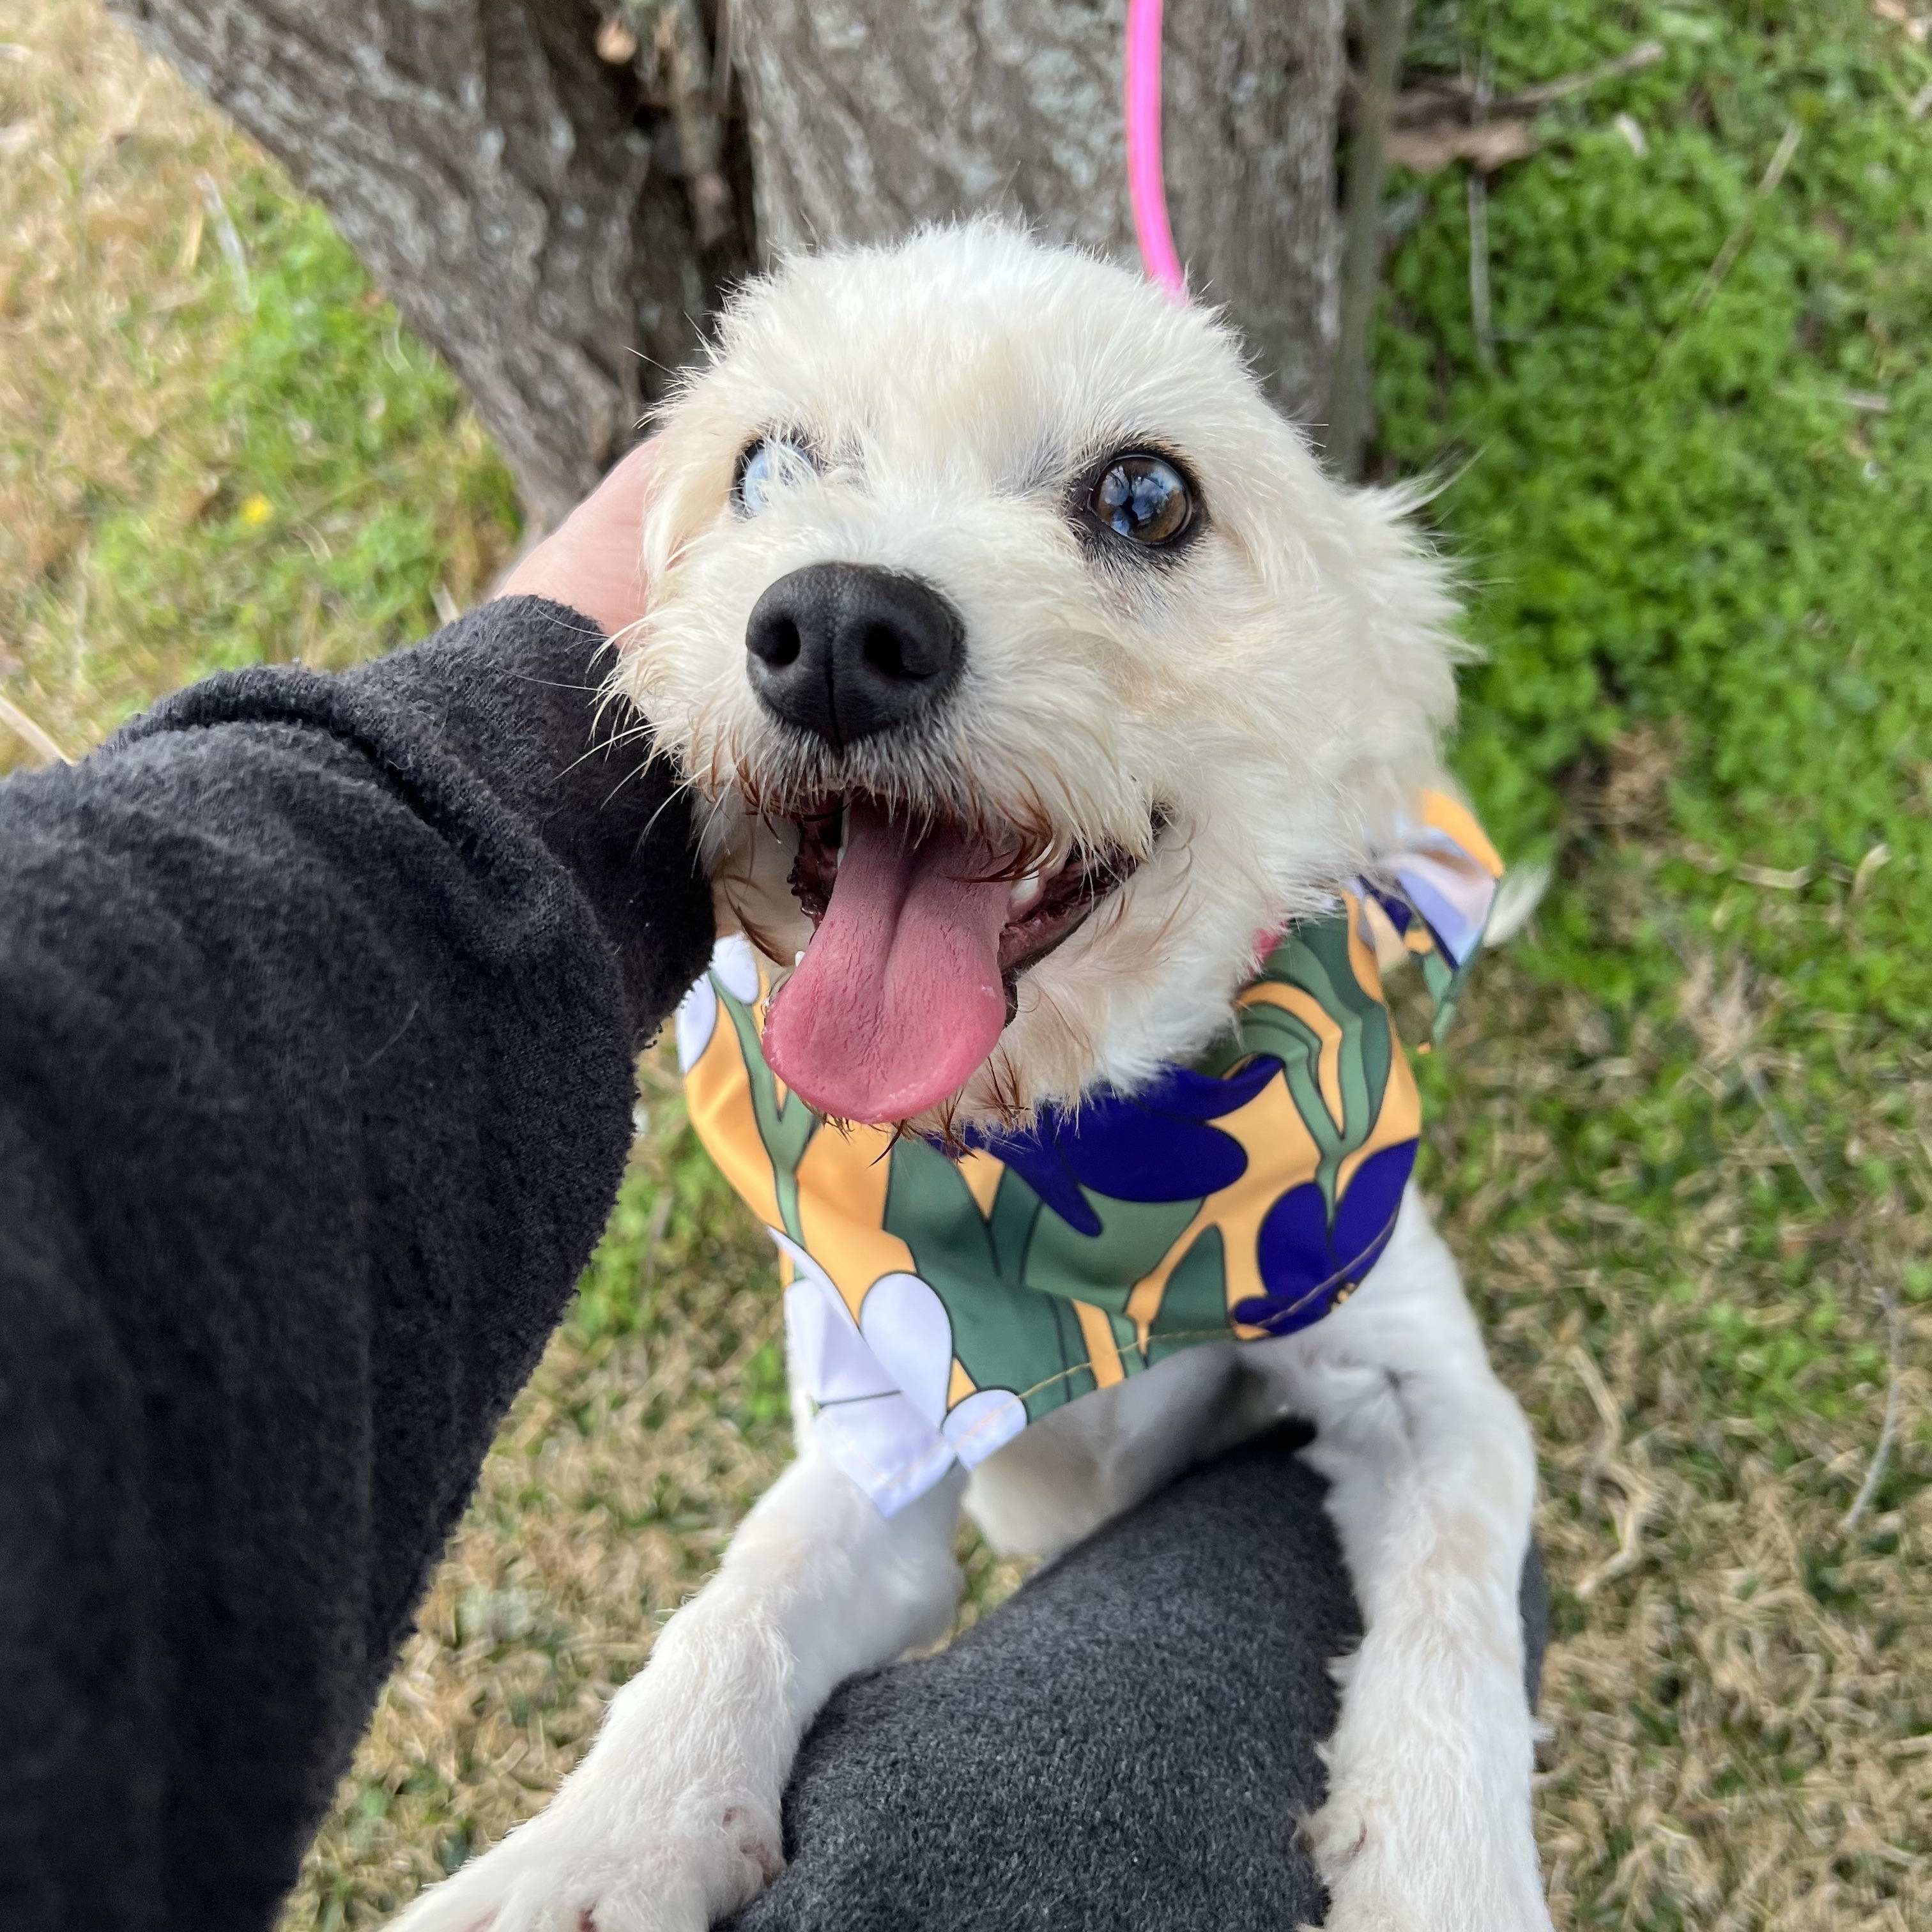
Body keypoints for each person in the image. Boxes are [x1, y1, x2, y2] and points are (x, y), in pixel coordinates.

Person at [0, 449, 1542, 1932]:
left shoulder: (1318, 1109)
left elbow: (1433, 1410)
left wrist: (1446, 1818)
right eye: (778, 469)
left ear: (1372, 678)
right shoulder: (846, 1186)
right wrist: (675, 1764)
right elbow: (868, 1500)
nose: (846, 624)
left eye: (1138, 506)